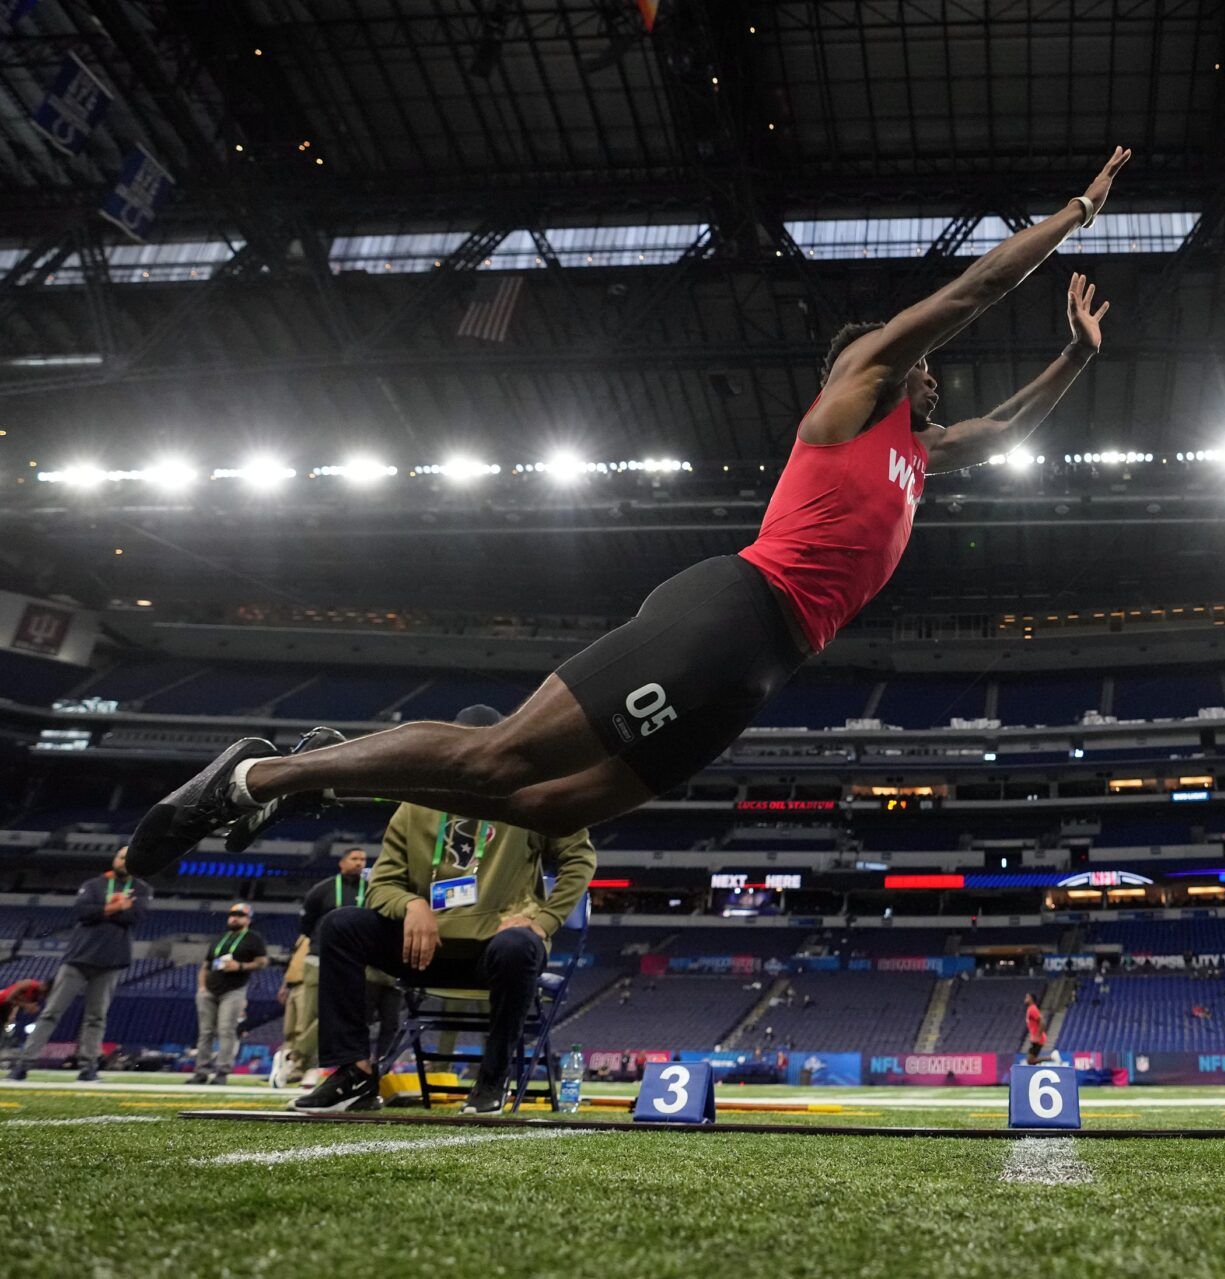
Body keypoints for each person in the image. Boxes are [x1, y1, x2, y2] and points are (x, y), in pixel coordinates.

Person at [124, 147, 1133, 877]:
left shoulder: (917, 452)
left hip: (764, 665)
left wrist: (1076, 358)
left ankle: (307, 770)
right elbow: (970, 292)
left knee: (532, 806)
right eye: (921, 366)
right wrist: (1075, 214)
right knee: (498, 755)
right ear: (871, 370)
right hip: (731, 610)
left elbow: (1002, 429)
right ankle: (252, 780)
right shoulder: (853, 398)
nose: (936, 375)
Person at [289, 781, 594, 1115]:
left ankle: (492, 1078)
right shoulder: (413, 806)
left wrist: (544, 921)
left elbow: (578, 859)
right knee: (340, 925)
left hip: (495, 955)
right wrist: (411, 904)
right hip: (423, 951)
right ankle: (353, 1072)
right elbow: (382, 886)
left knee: (519, 944)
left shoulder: (531, 801)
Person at [8, 846, 150, 1082]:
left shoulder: (142, 889)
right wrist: (114, 907)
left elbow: (135, 916)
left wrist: (104, 911)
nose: (124, 861)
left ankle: (88, 1067)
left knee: (96, 1017)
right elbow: (83, 912)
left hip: (111, 961)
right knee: (51, 1012)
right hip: (78, 958)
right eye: (121, 857)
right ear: (114, 859)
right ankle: (23, 1064)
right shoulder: (94, 885)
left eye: (129, 858)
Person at [275, 845, 394, 1087]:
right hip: (318, 958)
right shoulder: (323, 889)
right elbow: (306, 926)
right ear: (341, 863)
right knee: (308, 1015)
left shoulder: (372, 889)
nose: (360, 863)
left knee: (335, 1014)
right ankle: (299, 1063)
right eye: (354, 858)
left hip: (357, 962)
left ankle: (302, 1059)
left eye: (363, 859)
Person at [194, 901, 269, 1084]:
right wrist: (202, 988)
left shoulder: (253, 938)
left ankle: (221, 1072)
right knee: (205, 1032)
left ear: (248, 919)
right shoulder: (220, 938)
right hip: (209, 990)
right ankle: (201, 1072)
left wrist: (241, 966)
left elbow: (262, 962)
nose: (234, 917)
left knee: (226, 1030)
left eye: (240, 915)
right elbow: (206, 965)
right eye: (232, 914)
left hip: (233, 991)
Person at [1023, 992, 1048, 1066]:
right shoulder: (1030, 1009)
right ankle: (1041, 1064)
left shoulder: (1032, 1009)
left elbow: (1042, 1021)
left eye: (1027, 997)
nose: (1025, 999)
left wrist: (1038, 1035)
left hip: (1038, 1039)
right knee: (1031, 1061)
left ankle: (1052, 1058)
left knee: (1030, 1061)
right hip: (1035, 1038)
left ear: (1031, 999)